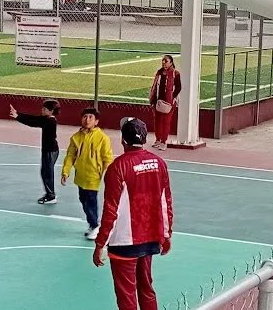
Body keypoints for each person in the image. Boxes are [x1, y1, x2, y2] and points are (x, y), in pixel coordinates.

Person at [94, 117, 173, 310]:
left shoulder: (117, 168)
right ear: (145, 139)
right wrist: (166, 235)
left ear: (123, 140)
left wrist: (100, 244)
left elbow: (110, 211)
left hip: (124, 244)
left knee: (126, 295)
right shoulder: (159, 163)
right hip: (150, 240)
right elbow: (166, 203)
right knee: (146, 289)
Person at [61, 108, 114, 240]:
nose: (87, 120)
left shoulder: (102, 138)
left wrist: (108, 174)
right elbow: (70, 156)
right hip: (80, 176)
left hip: (93, 176)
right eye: (85, 117)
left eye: (91, 117)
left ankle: (96, 226)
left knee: (91, 202)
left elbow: (107, 158)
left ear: (96, 121)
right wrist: (65, 172)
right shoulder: (76, 138)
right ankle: (92, 223)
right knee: (83, 201)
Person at [10, 100, 61, 204]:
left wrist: (17, 117)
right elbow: (33, 118)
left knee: (47, 173)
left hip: (50, 151)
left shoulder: (50, 121)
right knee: (45, 172)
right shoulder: (46, 118)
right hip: (49, 151)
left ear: (51, 111)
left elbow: (32, 123)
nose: (42, 110)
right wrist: (18, 113)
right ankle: (50, 193)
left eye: (45, 109)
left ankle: (51, 196)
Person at [148, 55, 181, 150]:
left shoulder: (175, 73)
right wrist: (153, 98)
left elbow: (178, 88)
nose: (163, 63)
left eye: (166, 61)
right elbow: (154, 85)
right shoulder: (159, 72)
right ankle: (158, 139)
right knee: (157, 121)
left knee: (166, 122)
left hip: (169, 103)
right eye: (163, 61)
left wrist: (172, 98)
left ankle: (163, 141)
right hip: (158, 101)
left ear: (171, 62)